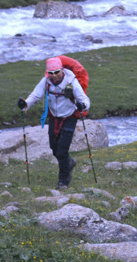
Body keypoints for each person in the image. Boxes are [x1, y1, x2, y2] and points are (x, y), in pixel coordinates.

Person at [18, 57, 90, 188]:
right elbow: (36, 95)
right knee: (54, 148)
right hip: (54, 117)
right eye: (51, 73)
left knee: (62, 150)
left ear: (62, 70)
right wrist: (25, 104)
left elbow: (84, 99)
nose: (54, 76)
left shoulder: (71, 81)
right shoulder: (46, 81)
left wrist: (82, 105)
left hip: (69, 117)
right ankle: (69, 162)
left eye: (56, 72)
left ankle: (63, 181)